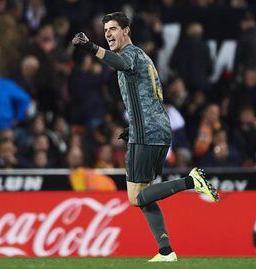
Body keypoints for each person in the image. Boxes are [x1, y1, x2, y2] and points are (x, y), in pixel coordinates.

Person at [72, 12, 218, 262]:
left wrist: (89, 46)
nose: (108, 34)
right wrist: (133, 126)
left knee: (136, 197)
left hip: (147, 133)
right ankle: (165, 251)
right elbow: (149, 94)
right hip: (155, 128)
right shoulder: (142, 57)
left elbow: (118, 64)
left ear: (126, 31)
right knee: (145, 194)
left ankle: (191, 182)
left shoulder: (128, 55)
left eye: (114, 29)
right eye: (105, 30)